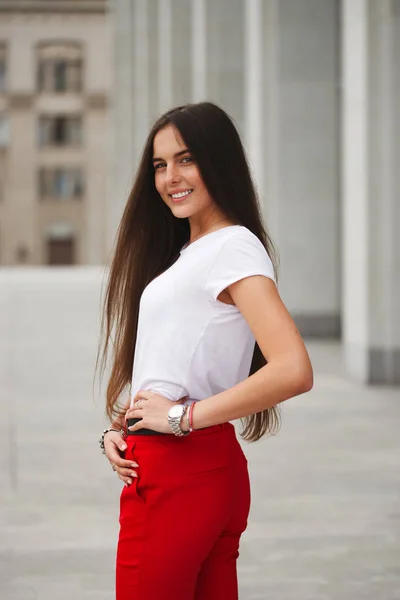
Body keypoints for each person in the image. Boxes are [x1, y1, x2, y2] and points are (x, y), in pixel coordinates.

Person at [97, 101, 313, 600]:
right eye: (159, 164)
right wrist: (121, 426)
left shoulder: (231, 247)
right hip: (197, 466)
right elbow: (177, 358)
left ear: (219, 162)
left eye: (186, 159)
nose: (170, 176)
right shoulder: (192, 254)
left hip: (179, 470)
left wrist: (181, 418)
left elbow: (294, 369)